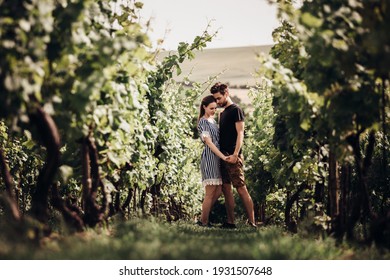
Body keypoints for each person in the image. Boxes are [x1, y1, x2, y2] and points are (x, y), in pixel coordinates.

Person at [210, 82, 257, 228]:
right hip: (222, 156)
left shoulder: (236, 110)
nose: (217, 102)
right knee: (226, 189)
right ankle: (231, 222)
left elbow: (240, 133)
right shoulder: (222, 113)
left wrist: (236, 154)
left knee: (241, 188)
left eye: (219, 98)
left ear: (226, 93)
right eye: (215, 99)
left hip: (233, 156)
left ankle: (252, 223)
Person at [197, 95, 229, 227]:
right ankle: (204, 222)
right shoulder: (203, 122)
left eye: (215, 108)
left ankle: (202, 217)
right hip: (210, 158)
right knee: (210, 193)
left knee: (218, 190)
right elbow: (209, 143)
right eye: (211, 108)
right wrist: (223, 157)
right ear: (204, 107)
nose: (213, 111)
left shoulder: (213, 121)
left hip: (217, 158)